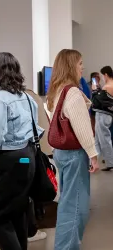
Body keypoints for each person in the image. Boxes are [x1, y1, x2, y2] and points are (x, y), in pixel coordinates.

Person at [0, 52, 44, 250]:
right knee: (17, 214)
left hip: (6, 163)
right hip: (27, 158)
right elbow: (36, 130)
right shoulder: (26, 97)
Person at [47, 49, 99, 250]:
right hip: (75, 155)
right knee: (76, 207)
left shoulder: (56, 92)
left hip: (61, 154)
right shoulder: (72, 93)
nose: (82, 67)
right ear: (70, 66)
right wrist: (93, 155)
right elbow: (82, 128)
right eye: (80, 64)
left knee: (68, 204)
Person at [92, 66, 113, 171]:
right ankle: (94, 162)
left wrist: (94, 91)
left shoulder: (108, 86)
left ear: (105, 75)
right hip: (105, 115)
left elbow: (97, 102)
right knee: (97, 140)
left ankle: (110, 162)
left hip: (103, 115)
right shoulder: (108, 86)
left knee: (104, 139)